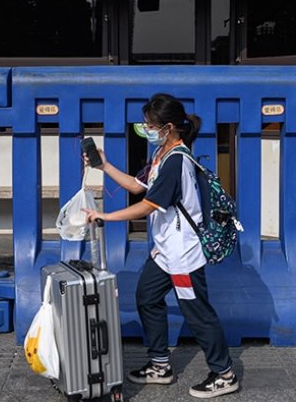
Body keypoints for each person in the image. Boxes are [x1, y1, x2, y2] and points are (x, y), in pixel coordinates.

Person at [83, 93, 239, 399]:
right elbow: (137, 186)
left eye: (149, 124)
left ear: (168, 128)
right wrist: (104, 166)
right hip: (165, 252)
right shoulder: (160, 157)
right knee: (147, 296)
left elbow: (148, 205)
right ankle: (160, 365)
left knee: (197, 312)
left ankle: (225, 373)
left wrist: (105, 215)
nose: (145, 129)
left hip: (183, 255)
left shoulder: (176, 161)